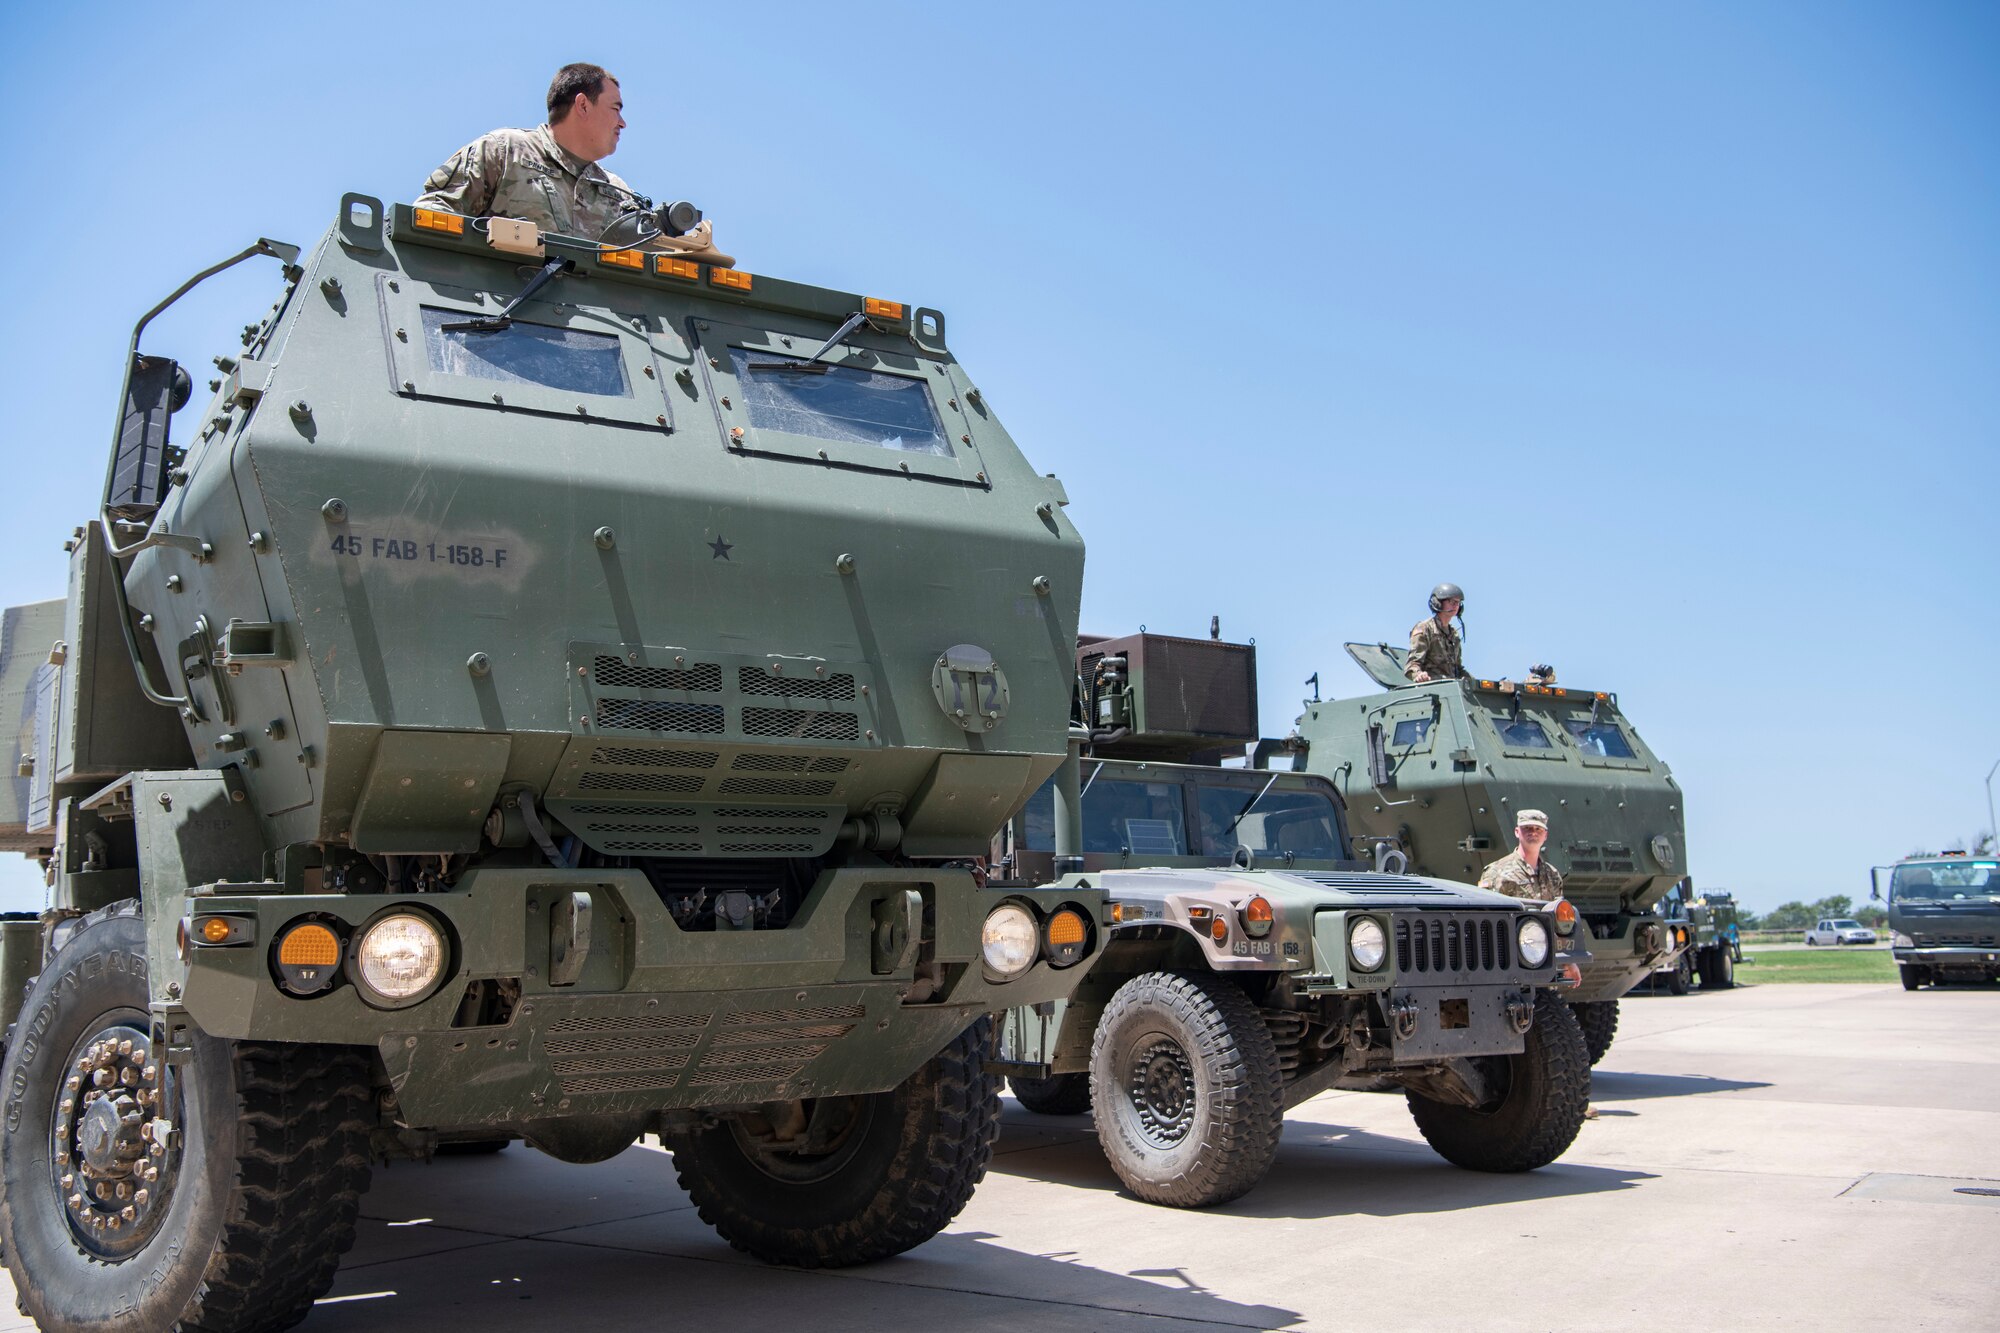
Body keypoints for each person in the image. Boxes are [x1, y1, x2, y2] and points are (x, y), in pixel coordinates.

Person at [416, 63, 727, 260]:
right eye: (615, 108)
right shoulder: (503, 151)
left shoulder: (616, 192)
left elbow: (642, 267)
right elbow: (430, 216)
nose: (622, 123)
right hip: (499, 329)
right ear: (583, 105)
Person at [1478, 809, 1563, 901]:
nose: (1533, 832)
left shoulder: (1552, 874)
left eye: (1538, 829)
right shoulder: (1496, 872)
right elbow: (1487, 911)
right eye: (1527, 828)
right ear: (1517, 832)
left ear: (1545, 835)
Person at [1405, 582, 1467, 683]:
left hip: (1452, 688)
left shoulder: (1454, 634)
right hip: (1432, 688)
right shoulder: (1424, 629)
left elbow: (1458, 669)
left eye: (1458, 602)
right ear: (1437, 603)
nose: (1456, 605)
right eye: (1451, 601)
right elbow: (1412, 666)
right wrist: (1419, 675)